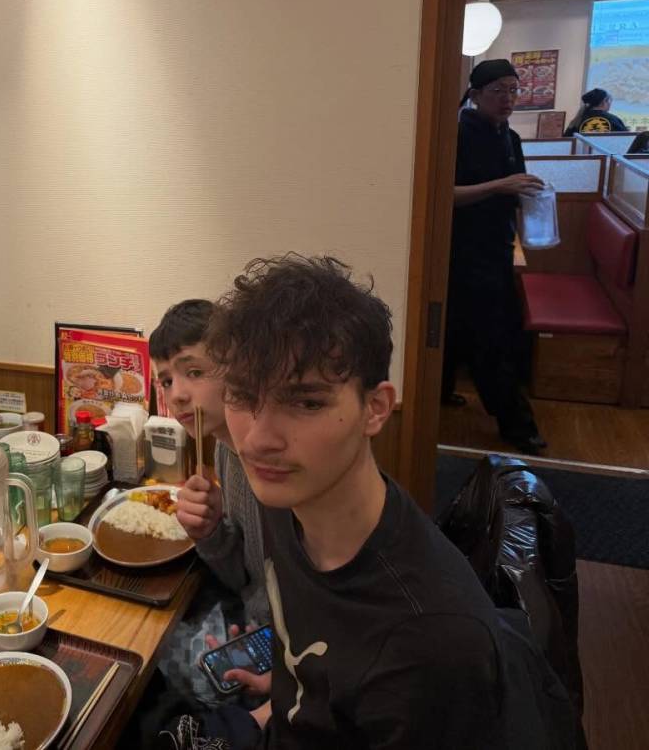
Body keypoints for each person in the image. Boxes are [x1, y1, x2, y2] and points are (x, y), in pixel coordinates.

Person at [165, 254, 574, 750]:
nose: (258, 439)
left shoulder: (432, 646)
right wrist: (293, 685)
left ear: (375, 408)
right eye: (243, 396)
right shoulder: (286, 496)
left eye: (306, 402)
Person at [141, 300, 271, 729]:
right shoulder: (223, 450)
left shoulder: (271, 464)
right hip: (253, 616)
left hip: (289, 645)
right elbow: (244, 574)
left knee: (157, 657)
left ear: (237, 369)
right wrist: (211, 530)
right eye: (166, 380)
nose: (177, 394)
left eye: (193, 372)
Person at [442, 58, 546, 454]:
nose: (508, 98)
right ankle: (517, 425)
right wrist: (501, 185)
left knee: (457, 325)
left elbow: (514, 189)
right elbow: (444, 195)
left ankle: (439, 392)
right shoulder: (457, 134)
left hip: (499, 245)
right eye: (498, 91)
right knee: (492, 337)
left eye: (513, 90)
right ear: (475, 95)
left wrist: (532, 196)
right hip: (462, 249)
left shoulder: (511, 137)